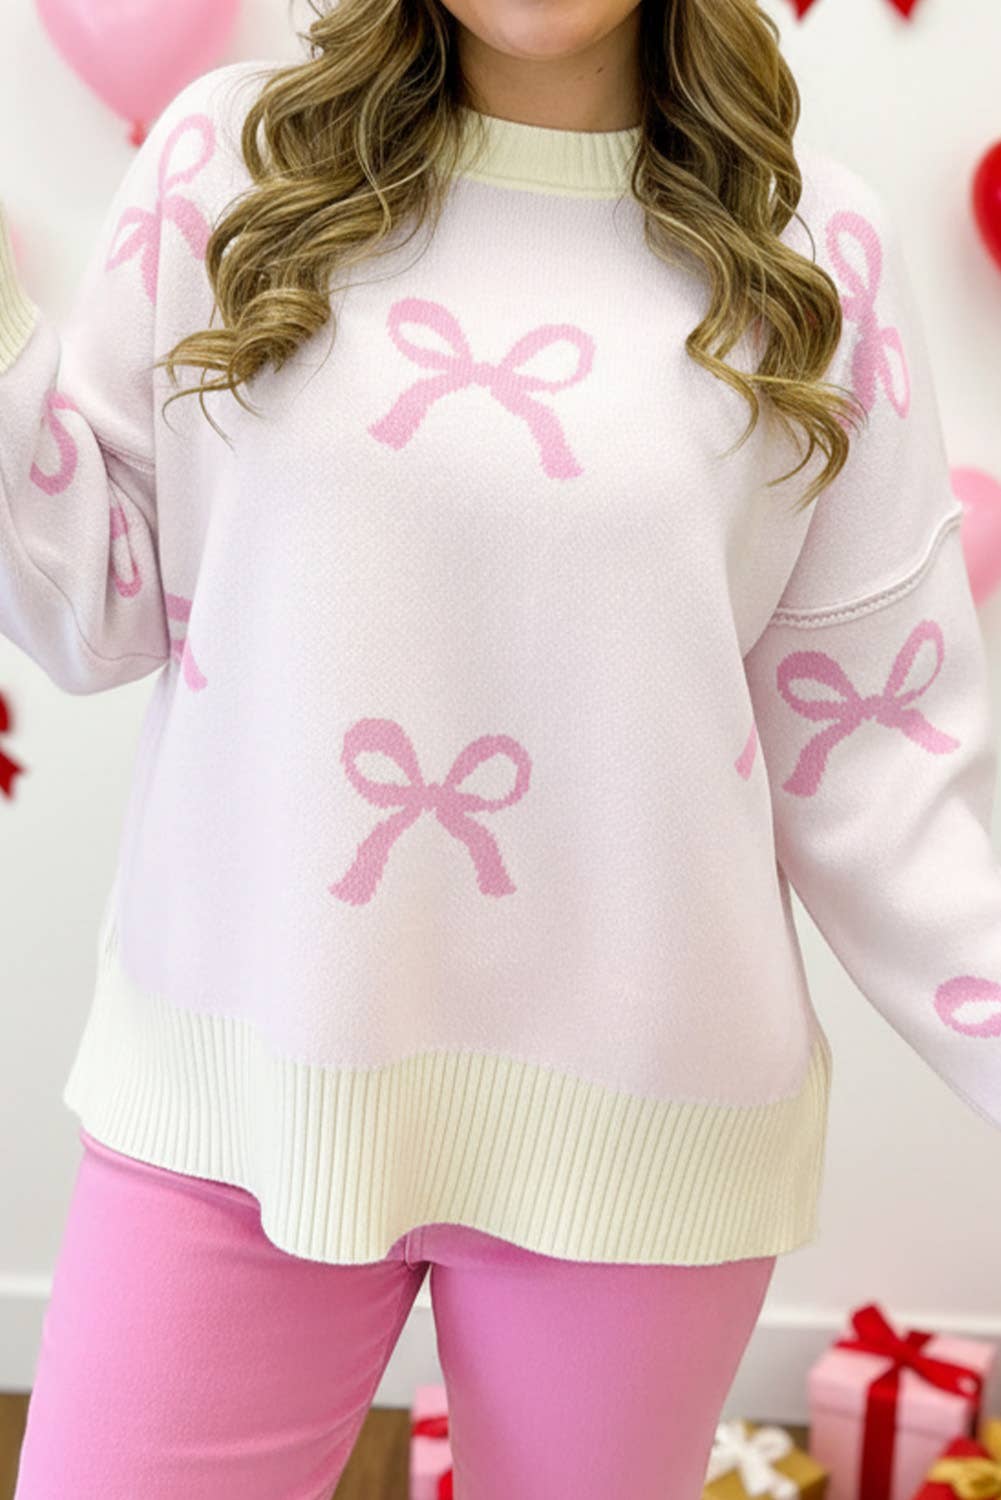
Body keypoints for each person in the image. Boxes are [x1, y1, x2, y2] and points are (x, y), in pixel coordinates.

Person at [3, 0, 999, 1494]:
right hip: (234, 1092)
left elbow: (872, 767)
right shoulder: (224, 163)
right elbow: (96, 609)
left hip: (645, 1133)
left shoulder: (814, 251)